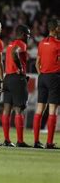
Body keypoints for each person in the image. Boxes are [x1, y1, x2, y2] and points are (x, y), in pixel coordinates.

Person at [2, 25, 32, 148]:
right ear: (24, 34)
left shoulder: (10, 44)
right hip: (17, 78)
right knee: (19, 109)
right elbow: (15, 53)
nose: (29, 37)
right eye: (28, 34)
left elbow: (11, 53)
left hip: (7, 78)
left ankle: (7, 140)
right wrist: (20, 68)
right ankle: (20, 141)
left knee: (6, 110)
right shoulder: (21, 43)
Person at [33, 19, 59, 149]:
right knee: (53, 110)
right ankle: (49, 142)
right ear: (55, 29)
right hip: (54, 77)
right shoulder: (58, 44)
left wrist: (42, 74)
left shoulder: (42, 43)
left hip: (42, 77)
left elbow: (37, 63)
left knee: (39, 109)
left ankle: (36, 141)